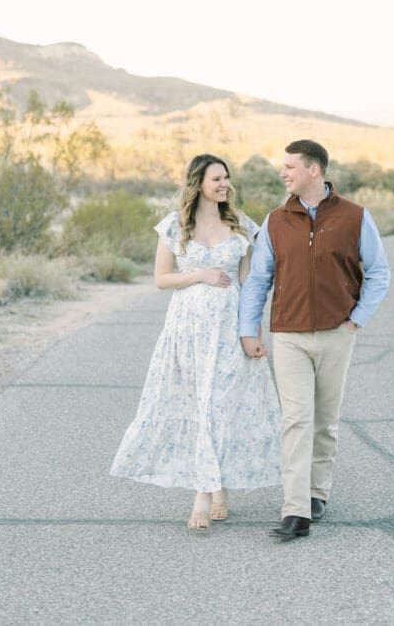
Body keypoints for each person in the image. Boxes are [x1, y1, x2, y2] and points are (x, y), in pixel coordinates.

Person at [110, 153, 282, 530]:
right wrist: (200, 274)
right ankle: (215, 487)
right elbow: (161, 278)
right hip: (187, 331)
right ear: (198, 184)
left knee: (219, 405)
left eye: (226, 178)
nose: (224, 185)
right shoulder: (175, 226)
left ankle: (204, 495)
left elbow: (250, 285)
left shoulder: (240, 227)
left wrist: (251, 332)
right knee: (199, 405)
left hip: (227, 332)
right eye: (217, 179)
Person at [239, 139, 391, 541]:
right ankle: (296, 509)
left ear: (314, 170)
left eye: (290, 167)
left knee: (325, 420)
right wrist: (247, 330)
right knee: (295, 420)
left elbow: (379, 273)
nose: (283, 173)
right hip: (288, 334)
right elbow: (258, 281)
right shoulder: (275, 220)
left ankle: (317, 492)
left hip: (336, 333)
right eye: (283, 167)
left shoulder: (356, 217)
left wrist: (356, 320)